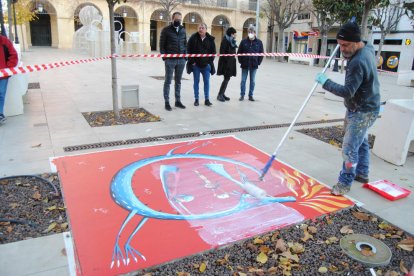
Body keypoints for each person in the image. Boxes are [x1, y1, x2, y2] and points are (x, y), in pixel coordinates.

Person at [315, 22, 380, 196]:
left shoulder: (357, 62)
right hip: (368, 105)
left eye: (345, 45)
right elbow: (362, 39)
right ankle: (362, 173)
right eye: (339, 44)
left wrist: (325, 82)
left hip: (362, 110)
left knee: (349, 148)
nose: (341, 49)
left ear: (356, 42)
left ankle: (344, 183)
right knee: (361, 141)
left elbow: (347, 91)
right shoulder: (367, 48)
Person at [159, 12, 187, 111]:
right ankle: (167, 102)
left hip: (181, 60)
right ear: (172, 19)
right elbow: (161, 45)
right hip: (170, 60)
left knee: (178, 82)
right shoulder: (166, 30)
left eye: (180, 19)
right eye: (176, 19)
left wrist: (185, 57)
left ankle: (177, 101)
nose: (178, 21)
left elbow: (185, 43)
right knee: (168, 81)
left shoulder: (183, 30)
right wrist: (165, 58)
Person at [187, 23, 216, 107]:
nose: (200, 29)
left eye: (202, 28)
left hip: (206, 66)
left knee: (206, 82)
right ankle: (196, 99)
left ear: (206, 29)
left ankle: (207, 99)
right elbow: (188, 50)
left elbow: (213, 53)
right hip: (196, 65)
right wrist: (192, 62)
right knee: (196, 82)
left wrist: (209, 62)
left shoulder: (210, 39)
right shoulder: (193, 38)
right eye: (199, 28)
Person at [237, 26, 263, 102]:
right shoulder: (243, 41)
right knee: (243, 81)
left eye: (251, 32)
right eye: (249, 32)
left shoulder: (259, 42)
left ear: (255, 33)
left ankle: (250, 95)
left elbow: (261, 53)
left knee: (252, 81)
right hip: (245, 64)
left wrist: (258, 62)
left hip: (254, 65)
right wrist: (241, 61)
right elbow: (239, 52)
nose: (250, 34)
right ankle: (242, 95)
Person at [0, 35, 18, 125]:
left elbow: (13, 54)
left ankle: (0, 113)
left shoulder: (4, 41)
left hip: (3, 75)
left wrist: (8, 67)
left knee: (1, 94)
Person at [216, 27, 237, 102]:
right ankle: (220, 95)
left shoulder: (231, 41)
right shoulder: (225, 40)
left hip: (230, 63)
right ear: (231, 34)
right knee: (226, 79)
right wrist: (227, 62)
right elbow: (222, 53)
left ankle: (222, 93)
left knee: (227, 79)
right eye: (234, 34)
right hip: (226, 64)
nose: (235, 35)